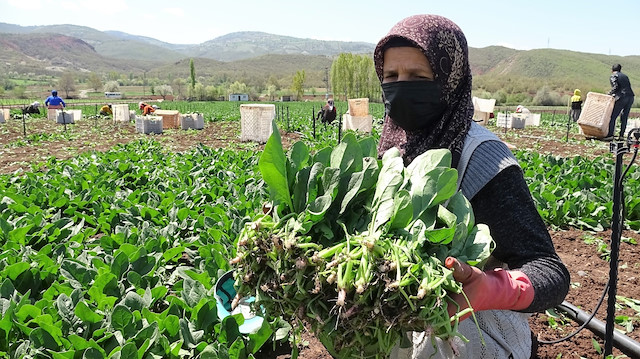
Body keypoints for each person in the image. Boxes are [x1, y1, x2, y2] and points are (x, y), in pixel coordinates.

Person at [374, 15, 570, 359]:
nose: (401, 87)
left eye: (418, 77)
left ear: (449, 79)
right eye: (392, 77)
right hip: (401, 331)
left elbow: (550, 272)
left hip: (472, 334)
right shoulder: (390, 148)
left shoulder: (482, 157)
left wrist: (491, 288)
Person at [606, 64, 635, 140]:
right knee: (624, 117)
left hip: (622, 97)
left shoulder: (613, 76)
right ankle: (621, 135)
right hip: (631, 97)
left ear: (612, 70)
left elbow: (615, 87)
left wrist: (609, 93)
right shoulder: (625, 76)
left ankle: (610, 135)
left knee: (613, 116)